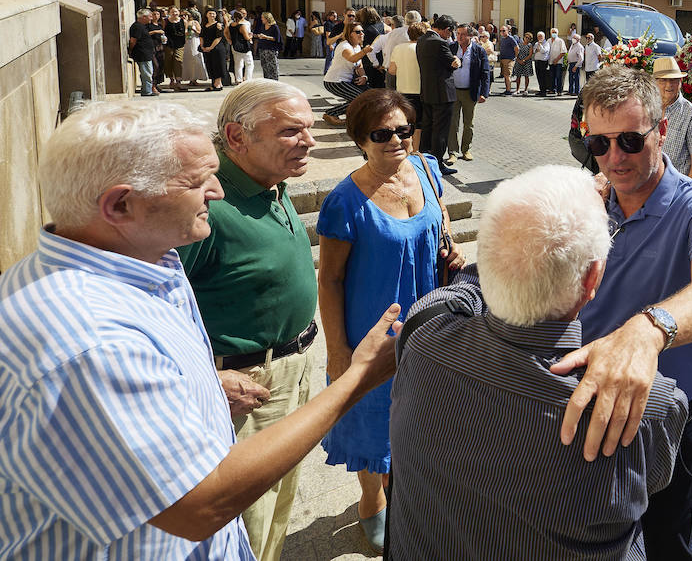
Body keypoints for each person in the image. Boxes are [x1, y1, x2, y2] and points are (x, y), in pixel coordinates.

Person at [0, 99, 403, 560]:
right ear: (120, 204)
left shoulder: (144, 257)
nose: (217, 190)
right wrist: (357, 379)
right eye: (196, 181)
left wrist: (201, 382)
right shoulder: (87, 343)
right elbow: (198, 505)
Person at [389, 164, 689, 559]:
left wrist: (524, 228)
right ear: (592, 278)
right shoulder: (648, 407)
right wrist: (652, 328)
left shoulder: (425, 330)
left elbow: (467, 286)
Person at [552, 66, 692, 558]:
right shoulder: (585, 199)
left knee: (667, 544)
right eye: (599, 144)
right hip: (583, 401)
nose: (615, 158)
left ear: (662, 132)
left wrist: (649, 329)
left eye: (630, 141)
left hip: (663, 419)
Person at [174, 82, 330, 560]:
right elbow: (154, 302)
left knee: (278, 507)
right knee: (248, 522)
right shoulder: (209, 206)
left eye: (308, 129)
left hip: (294, 367)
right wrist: (204, 376)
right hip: (246, 387)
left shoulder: (269, 181)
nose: (308, 142)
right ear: (236, 137)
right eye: (290, 131)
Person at [317, 89, 463, 550]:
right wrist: (338, 350)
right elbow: (330, 280)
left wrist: (451, 247)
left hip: (429, 320)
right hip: (372, 330)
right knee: (372, 417)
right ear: (361, 138)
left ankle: (409, 489)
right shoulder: (344, 201)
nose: (396, 141)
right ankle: (370, 499)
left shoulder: (424, 169)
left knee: (422, 412)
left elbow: (440, 226)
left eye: (403, 130)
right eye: (383, 134)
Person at [415, 14, 461, 176]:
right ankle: (438, 163)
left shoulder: (421, 40)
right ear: (447, 30)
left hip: (427, 91)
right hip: (443, 93)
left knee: (427, 127)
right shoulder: (440, 43)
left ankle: (424, 159)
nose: (450, 35)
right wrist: (456, 60)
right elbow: (452, 63)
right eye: (450, 32)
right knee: (441, 130)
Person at [654, 55, 692, 181]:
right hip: (645, 188)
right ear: (654, 82)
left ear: (680, 82)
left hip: (675, 191)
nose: (669, 85)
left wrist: (686, 197)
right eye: (663, 80)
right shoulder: (646, 108)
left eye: (674, 80)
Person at [445, 22, 491, 165]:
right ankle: (452, 152)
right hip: (453, 91)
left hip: (470, 92)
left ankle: (466, 150)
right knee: (452, 123)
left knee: (468, 123)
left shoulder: (479, 50)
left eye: (463, 34)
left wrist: (484, 92)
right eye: (458, 33)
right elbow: (443, 67)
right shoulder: (451, 47)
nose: (459, 36)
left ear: (470, 35)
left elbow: (485, 73)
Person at [322, 24, 374, 127]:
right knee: (359, 99)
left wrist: (364, 77)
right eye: (358, 32)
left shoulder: (357, 46)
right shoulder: (344, 46)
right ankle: (331, 113)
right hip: (335, 81)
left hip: (346, 81)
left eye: (362, 31)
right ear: (350, 34)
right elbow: (352, 58)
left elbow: (359, 65)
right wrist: (365, 51)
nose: (362, 34)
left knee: (367, 97)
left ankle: (352, 117)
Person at [388, 22, 425, 118]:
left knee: (406, 121)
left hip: (402, 90)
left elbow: (392, 70)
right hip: (419, 90)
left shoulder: (397, 48)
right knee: (418, 123)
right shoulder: (422, 48)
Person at [128, 8, 158, 96]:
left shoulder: (142, 26)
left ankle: (147, 89)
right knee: (147, 73)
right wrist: (131, 50)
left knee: (148, 72)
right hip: (142, 54)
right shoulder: (137, 26)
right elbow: (133, 40)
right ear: (143, 17)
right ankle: (147, 91)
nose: (151, 18)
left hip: (147, 53)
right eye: (149, 16)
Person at [201, 8, 228, 92]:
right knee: (210, 65)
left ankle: (217, 84)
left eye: (213, 13)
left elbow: (218, 37)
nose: (212, 15)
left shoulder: (218, 25)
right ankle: (217, 84)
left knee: (218, 66)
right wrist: (202, 46)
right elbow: (201, 36)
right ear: (206, 15)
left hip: (217, 48)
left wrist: (211, 47)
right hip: (206, 48)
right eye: (210, 13)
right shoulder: (204, 25)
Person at [183, 6, 208, 87]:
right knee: (187, 60)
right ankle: (190, 78)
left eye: (185, 15)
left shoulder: (195, 22)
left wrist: (194, 30)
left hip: (194, 41)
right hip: (186, 42)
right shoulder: (182, 22)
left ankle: (196, 78)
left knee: (195, 58)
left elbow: (200, 32)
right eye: (182, 15)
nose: (184, 17)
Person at [229, 10, 255, 84]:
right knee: (249, 63)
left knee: (238, 64)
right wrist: (250, 36)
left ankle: (238, 79)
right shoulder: (242, 26)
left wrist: (229, 40)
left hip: (235, 46)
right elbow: (246, 37)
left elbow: (226, 33)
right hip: (244, 46)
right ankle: (248, 79)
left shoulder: (231, 25)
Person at [164, 7, 187, 90]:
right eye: (172, 12)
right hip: (168, 44)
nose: (174, 13)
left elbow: (186, 32)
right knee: (168, 61)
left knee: (178, 60)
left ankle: (178, 81)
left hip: (180, 44)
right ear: (169, 13)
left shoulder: (183, 21)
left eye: (176, 11)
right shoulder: (166, 21)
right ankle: (171, 79)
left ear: (179, 12)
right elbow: (163, 31)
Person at [255, 12, 283, 81]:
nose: (261, 19)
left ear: (267, 18)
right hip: (262, 48)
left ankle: (274, 80)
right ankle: (267, 80)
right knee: (264, 66)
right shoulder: (262, 26)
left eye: (262, 18)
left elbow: (277, 38)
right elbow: (260, 34)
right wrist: (256, 35)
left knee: (273, 66)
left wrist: (266, 37)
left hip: (271, 49)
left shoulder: (274, 27)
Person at [497, 24, 518, 95]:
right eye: (500, 31)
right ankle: (507, 89)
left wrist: (515, 57)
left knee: (507, 75)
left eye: (503, 30)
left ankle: (508, 90)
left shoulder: (511, 38)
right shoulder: (502, 39)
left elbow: (517, 48)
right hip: (503, 59)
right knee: (505, 75)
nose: (502, 32)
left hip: (509, 59)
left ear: (508, 31)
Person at [514, 30, 535, 95]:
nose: (527, 39)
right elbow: (516, 52)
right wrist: (518, 60)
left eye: (529, 38)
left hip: (527, 62)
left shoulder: (530, 45)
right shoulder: (519, 44)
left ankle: (525, 89)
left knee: (526, 76)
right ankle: (517, 89)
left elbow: (530, 54)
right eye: (526, 37)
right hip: (519, 61)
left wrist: (524, 60)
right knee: (518, 76)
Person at [548, 27, 568, 95]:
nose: (554, 34)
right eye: (553, 32)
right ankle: (552, 89)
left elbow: (563, 52)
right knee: (551, 77)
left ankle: (559, 91)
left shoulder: (560, 41)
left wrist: (556, 60)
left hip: (558, 62)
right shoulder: (548, 40)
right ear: (550, 33)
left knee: (559, 77)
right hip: (551, 61)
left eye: (555, 32)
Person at [567, 31, 585, 97]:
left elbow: (581, 58)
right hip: (571, 63)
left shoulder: (579, 46)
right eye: (573, 37)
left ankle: (576, 91)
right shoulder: (573, 45)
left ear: (578, 39)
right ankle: (570, 90)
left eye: (575, 38)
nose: (573, 39)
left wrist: (576, 66)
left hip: (575, 64)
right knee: (570, 78)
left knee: (576, 78)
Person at [533, 30, 551, 95]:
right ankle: (541, 89)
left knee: (543, 76)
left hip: (543, 62)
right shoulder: (536, 43)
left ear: (544, 37)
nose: (539, 37)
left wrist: (540, 46)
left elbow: (544, 51)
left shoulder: (546, 43)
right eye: (538, 36)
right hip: (537, 61)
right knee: (538, 76)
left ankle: (544, 91)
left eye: (541, 36)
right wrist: (538, 49)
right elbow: (534, 51)